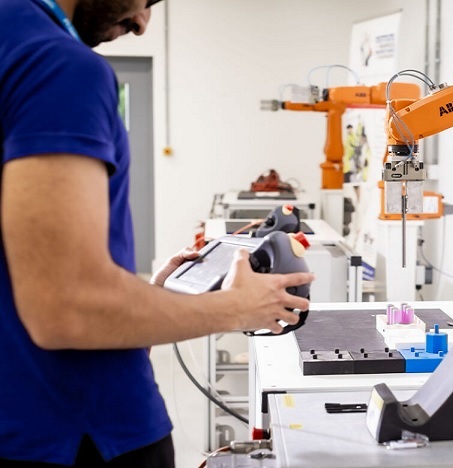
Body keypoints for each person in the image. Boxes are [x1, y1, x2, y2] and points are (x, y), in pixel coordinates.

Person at [0, 0, 315, 466]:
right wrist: (236, 307)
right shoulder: (58, 64)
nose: (142, 23)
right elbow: (66, 308)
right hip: (80, 430)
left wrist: (146, 299)